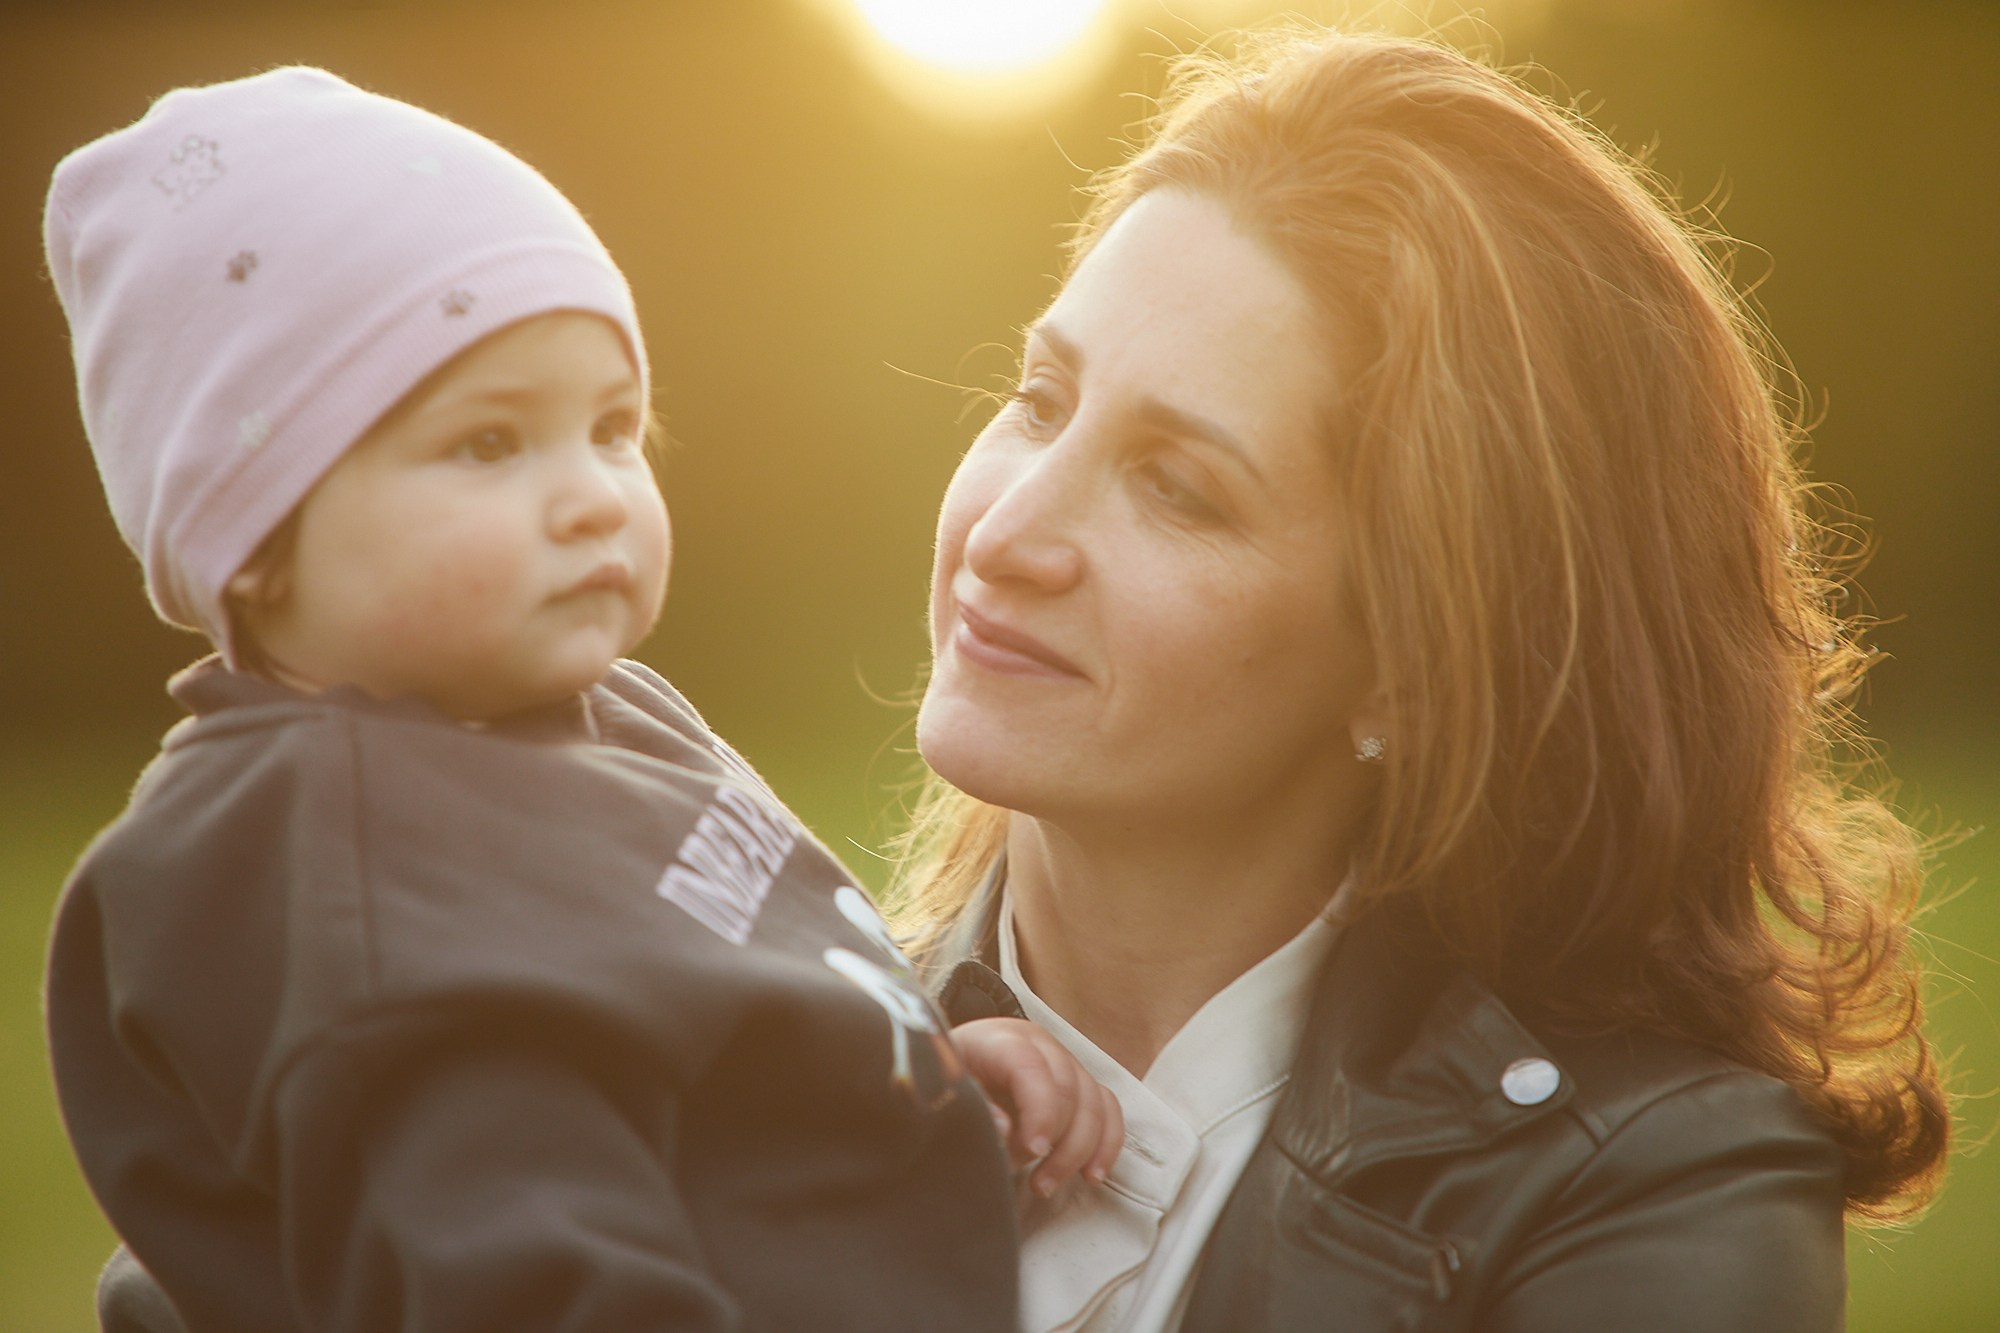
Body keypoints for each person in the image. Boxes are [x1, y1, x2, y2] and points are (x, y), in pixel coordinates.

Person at [892, 25, 1950, 1333]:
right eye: (1041, 402)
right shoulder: (722, 1047)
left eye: (1178, 489)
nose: (1003, 536)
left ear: (1417, 661)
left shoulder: (1651, 1187)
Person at [43, 67, 1119, 1333]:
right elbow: (500, 1247)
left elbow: (702, 1023)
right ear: (255, 537)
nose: (595, 494)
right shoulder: (321, 846)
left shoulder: (618, 716)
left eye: (612, 428)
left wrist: (907, 1080)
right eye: (490, 443)